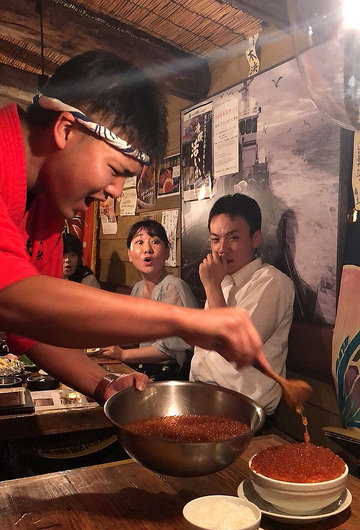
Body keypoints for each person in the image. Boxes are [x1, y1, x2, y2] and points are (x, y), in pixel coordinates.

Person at [0, 50, 265, 408]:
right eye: (114, 169)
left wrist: (103, 384)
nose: (113, 191)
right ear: (66, 129)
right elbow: (13, 296)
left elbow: (31, 329)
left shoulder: (45, 208)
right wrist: (185, 321)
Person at [190, 194, 295, 415]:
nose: (221, 249)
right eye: (215, 239)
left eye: (233, 238)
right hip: (202, 396)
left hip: (241, 408)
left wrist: (211, 287)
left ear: (255, 238)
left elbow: (236, 348)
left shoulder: (272, 282)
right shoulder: (221, 279)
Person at [99, 220, 197, 378]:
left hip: (169, 375)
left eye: (155, 242)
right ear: (130, 255)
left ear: (167, 252)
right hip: (144, 369)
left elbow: (169, 352)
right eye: (139, 242)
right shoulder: (138, 288)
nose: (147, 249)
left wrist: (123, 354)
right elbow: (132, 333)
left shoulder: (173, 287)